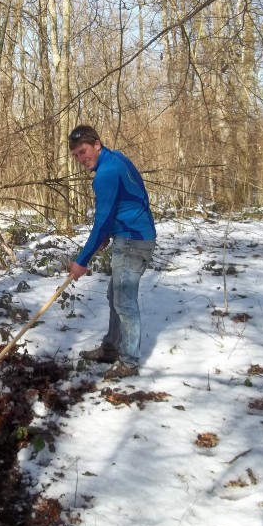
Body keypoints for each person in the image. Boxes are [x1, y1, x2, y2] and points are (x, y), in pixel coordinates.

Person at [67, 125, 156, 378]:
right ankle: (111, 348)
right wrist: (108, 232)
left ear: (97, 144)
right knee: (115, 296)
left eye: (84, 151)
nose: (81, 159)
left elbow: (102, 219)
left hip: (132, 241)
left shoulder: (106, 173)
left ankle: (129, 361)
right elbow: (129, 200)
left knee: (124, 303)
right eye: (76, 155)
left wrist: (82, 261)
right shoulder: (116, 158)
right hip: (132, 235)